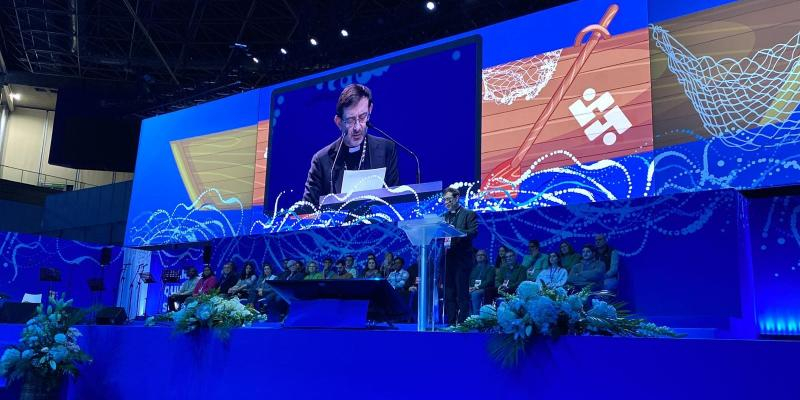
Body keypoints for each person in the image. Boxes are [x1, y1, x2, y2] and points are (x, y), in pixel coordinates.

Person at [302, 83, 399, 206]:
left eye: (363, 117)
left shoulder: (387, 150)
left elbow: (395, 204)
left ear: (370, 110)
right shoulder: (321, 161)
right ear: (338, 122)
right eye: (350, 120)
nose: (357, 127)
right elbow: (307, 211)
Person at [441, 187, 478, 324]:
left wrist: (454, 231)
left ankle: (463, 324)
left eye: (449, 199)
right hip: (447, 260)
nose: (447, 202)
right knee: (449, 293)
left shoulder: (469, 214)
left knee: (462, 293)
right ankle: (450, 323)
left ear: (457, 198)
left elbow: (473, 232)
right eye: (445, 200)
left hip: (462, 260)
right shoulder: (443, 217)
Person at [469, 250, 495, 315]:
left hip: (484, 288)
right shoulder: (473, 269)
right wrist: (470, 287)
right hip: (473, 288)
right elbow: (470, 280)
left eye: (482, 255)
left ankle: (476, 317)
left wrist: (476, 288)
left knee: (475, 294)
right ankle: (468, 317)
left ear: (486, 257)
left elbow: (489, 281)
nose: (480, 256)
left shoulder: (490, 268)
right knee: (463, 294)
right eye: (478, 255)